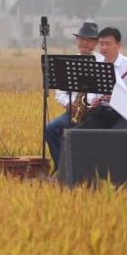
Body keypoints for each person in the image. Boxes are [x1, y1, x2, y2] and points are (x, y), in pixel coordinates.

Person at [45, 21, 102, 168]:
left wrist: (89, 104)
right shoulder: (69, 63)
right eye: (81, 38)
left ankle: (83, 168)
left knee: (77, 135)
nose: (84, 42)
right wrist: (68, 103)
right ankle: (62, 167)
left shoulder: (103, 63)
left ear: (95, 43)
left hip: (96, 113)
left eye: (88, 39)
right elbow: (60, 92)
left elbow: (104, 91)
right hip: (74, 112)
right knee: (50, 128)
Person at [75, 27, 127, 130]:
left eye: (108, 44)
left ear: (118, 45)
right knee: (77, 134)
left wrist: (116, 98)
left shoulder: (126, 64)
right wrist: (92, 99)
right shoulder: (96, 65)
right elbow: (90, 91)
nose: (104, 47)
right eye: (101, 44)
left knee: (114, 137)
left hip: (122, 114)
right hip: (101, 111)